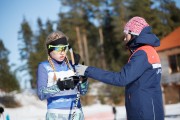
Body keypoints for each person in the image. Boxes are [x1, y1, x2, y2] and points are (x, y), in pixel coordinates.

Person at [75, 16, 164, 120]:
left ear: (133, 34)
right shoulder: (148, 51)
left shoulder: (142, 54)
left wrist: (87, 70)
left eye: (126, 35)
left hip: (144, 112)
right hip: (147, 108)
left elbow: (121, 79)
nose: (124, 38)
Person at [37, 31, 89, 120]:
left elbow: (83, 91)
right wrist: (60, 85)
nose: (62, 52)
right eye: (58, 49)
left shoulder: (73, 65)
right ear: (50, 50)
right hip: (56, 115)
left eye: (64, 48)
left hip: (76, 114)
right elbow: (41, 94)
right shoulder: (44, 67)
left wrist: (84, 79)